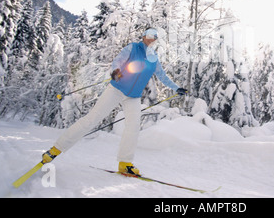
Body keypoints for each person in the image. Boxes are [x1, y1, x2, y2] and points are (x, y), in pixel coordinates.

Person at [41, 28, 188, 176]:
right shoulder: (133, 48)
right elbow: (118, 60)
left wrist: (176, 88)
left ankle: (125, 163)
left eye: (155, 37)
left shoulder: (154, 58)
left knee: (133, 127)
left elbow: (162, 76)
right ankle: (55, 149)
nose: (152, 39)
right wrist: (116, 70)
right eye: (149, 35)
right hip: (116, 89)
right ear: (143, 36)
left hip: (134, 97)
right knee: (92, 119)